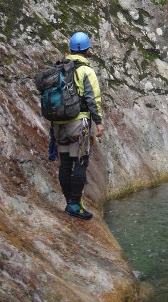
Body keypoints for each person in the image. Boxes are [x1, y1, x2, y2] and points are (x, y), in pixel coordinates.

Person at [53, 31, 104, 220]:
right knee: (80, 163)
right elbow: (93, 99)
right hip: (78, 123)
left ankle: (69, 202)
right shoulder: (86, 71)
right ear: (87, 49)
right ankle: (75, 205)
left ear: (71, 48)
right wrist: (98, 122)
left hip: (59, 123)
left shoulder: (59, 68)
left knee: (65, 163)